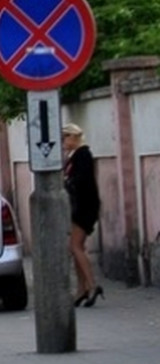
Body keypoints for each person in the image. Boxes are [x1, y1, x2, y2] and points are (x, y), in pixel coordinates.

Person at [62, 123, 103, 307]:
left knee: (75, 246)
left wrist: (67, 182)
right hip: (78, 206)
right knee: (75, 247)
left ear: (73, 138)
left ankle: (92, 286)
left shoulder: (83, 154)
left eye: (65, 137)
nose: (63, 141)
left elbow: (82, 181)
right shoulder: (74, 156)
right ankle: (82, 289)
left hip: (84, 206)